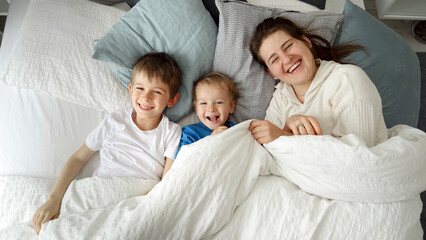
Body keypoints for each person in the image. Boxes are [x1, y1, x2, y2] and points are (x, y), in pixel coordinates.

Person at [32, 52, 182, 234]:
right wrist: (53, 199)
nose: (146, 97)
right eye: (140, 88)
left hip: (136, 200)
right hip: (99, 191)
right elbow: (78, 158)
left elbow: (167, 183)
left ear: (172, 99)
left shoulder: (171, 132)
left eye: (157, 91)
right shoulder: (115, 121)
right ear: (130, 90)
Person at [248, 17, 388, 147]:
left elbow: (358, 156)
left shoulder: (348, 79)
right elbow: (269, 152)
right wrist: (286, 128)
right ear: (272, 73)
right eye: (275, 59)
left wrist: (285, 136)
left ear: (306, 42)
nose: (286, 59)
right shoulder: (280, 99)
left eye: (288, 46)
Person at [175, 72, 239, 156]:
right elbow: (182, 160)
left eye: (219, 102)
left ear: (231, 106)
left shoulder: (237, 130)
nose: (211, 109)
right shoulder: (191, 133)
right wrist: (211, 141)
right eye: (203, 103)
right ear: (196, 109)